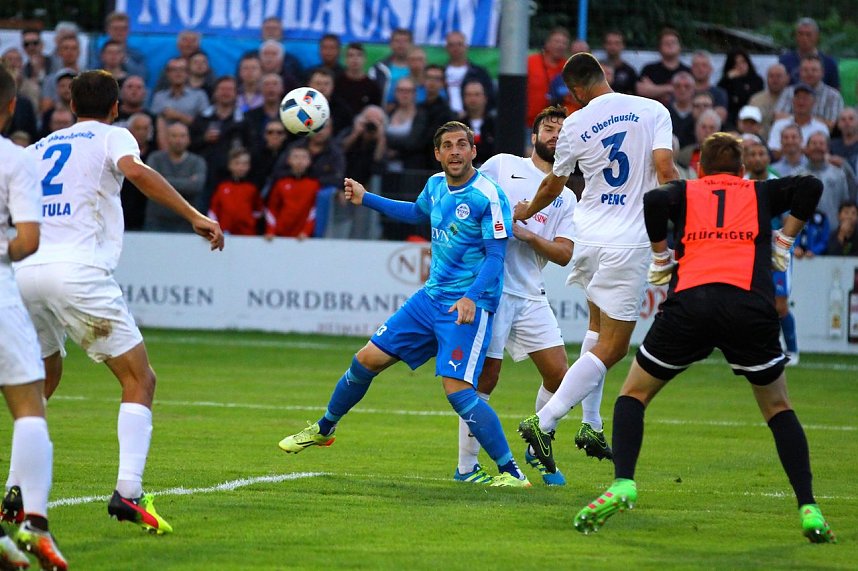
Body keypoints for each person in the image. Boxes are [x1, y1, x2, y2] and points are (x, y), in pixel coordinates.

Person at [572, 132, 836, 545]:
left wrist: (661, 256)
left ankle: (623, 482)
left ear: (699, 167)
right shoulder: (759, 191)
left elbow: (654, 202)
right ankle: (808, 506)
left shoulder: (687, 191)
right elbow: (811, 186)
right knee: (778, 407)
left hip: (691, 303)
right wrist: (783, 240)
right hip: (749, 306)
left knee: (633, 396)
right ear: (742, 169)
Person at [6, 70, 224, 536]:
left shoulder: (39, 148)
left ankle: (15, 489)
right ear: (115, 106)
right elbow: (138, 173)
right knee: (139, 378)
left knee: (44, 378)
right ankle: (128, 491)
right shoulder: (113, 135)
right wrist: (194, 216)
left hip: (25, 273)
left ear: (68, 105)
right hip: (78, 271)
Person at [278, 121, 531, 487]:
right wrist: (366, 198)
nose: (456, 151)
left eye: (462, 145)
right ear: (438, 154)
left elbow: (495, 257)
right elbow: (415, 213)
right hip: (429, 299)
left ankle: (511, 473)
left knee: (459, 393)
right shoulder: (435, 186)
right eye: (448, 146)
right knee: (366, 360)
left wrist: (471, 298)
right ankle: (324, 428)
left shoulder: (488, 195)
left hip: (465, 307)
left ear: (474, 151)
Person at [513, 53, 678, 474]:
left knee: (595, 330)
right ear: (605, 75)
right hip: (627, 241)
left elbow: (555, 182)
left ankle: (590, 424)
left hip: (588, 235)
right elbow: (664, 170)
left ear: (576, 92)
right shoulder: (652, 109)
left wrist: (528, 210)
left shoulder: (575, 123)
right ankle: (544, 419)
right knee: (615, 346)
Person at [453, 106, 578, 487]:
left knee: (562, 377)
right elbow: (464, 199)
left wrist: (528, 235)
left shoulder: (566, 196)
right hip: (490, 290)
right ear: (534, 136)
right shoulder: (502, 165)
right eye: (549, 128)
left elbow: (564, 253)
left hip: (529, 293)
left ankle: (536, 438)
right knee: (485, 379)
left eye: (562, 130)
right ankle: (465, 468)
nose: (555, 134)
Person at [0, 63, 68, 571]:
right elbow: (28, 241)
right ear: (9, 107)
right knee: (29, 407)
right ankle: (34, 523)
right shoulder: (15, 160)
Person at [743, 135, 799, 365]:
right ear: (746, 159)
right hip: (750, 248)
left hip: (777, 249)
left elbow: (791, 219)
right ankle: (758, 347)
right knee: (752, 301)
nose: (757, 158)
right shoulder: (743, 184)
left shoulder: (778, 183)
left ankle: (793, 350)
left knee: (780, 304)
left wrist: (783, 242)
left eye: (761, 154)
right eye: (753, 154)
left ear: (768, 157)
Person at [145, 122, 208, 231]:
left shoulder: (197, 162)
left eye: (182, 136)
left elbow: (196, 187)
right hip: (157, 222)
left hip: (187, 223)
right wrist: (187, 182)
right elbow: (151, 184)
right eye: (174, 136)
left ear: (188, 139)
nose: (178, 140)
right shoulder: (155, 159)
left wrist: (163, 180)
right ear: (167, 138)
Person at [265, 145, 321, 238]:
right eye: (296, 157)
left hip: (303, 236)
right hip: (280, 234)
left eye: (304, 157)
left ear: (309, 161)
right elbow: (272, 208)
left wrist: (306, 231)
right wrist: (271, 230)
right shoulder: (281, 183)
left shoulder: (315, 184)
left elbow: (314, 211)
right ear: (289, 160)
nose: (300, 161)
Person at [208, 147, 263, 235]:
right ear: (230, 165)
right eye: (237, 163)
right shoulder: (222, 186)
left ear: (249, 166)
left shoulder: (253, 188)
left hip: (247, 234)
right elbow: (213, 210)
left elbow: (258, 211)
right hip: (225, 233)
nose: (241, 167)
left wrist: (248, 221)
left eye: (245, 164)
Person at [442, 31, 496, 116]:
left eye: (459, 44)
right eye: (451, 45)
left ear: (466, 47)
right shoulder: (439, 73)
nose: (455, 48)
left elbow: (491, 98)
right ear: (446, 48)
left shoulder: (479, 73)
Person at [526, 27, 570, 127]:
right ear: (547, 43)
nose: (560, 45)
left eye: (564, 43)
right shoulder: (530, 62)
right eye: (557, 41)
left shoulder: (568, 67)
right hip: (529, 123)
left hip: (556, 125)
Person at [779, 17, 839, 90]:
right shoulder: (784, 61)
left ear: (817, 36)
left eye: (808, 34)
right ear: (796, 36)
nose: (804, 38)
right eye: (800, 34)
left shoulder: (829, 63)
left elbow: (835, 91)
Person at [636, 27, 691, 106]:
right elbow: (641, 90)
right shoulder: (649, 69)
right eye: (666, 43)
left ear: (680, 47)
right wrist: (670, 88)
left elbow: (693, 93)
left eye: (673, 42)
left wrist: (655, 89)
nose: (670, 45)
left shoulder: (688, 71)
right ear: (659, 47)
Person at [717, 48, 764, 127]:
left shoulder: (757, 81)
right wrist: (729, 79)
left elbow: (745, 98)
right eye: (735, 63)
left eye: (743, 62)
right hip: (731, 120)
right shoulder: (725, 82)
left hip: (751, 119)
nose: (740, 66)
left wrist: (737, 81)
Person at [749, 63, 790, 140]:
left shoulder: (794, 99)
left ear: (787, 78)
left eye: (779, 76)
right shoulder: (755, 100)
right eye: (771, 76)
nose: (775, 79)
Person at [602, 30, 637, 95]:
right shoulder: (596, 69)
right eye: (609, 43)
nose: (613, 47)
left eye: (617, 43)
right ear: (604, 45)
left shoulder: (629, 71)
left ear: (623, 46)